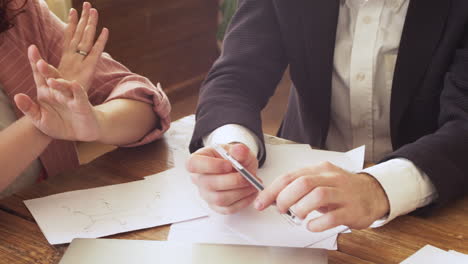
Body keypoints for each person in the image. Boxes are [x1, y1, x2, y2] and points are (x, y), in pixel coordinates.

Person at [186, 0, 468, 232]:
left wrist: (377, 188)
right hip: (294, 202)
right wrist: (231, 147)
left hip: (435, 195)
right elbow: (237, 75)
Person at [0, 0, 171, 196]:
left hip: (51, 211)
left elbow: (145, 104)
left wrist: (97, 122)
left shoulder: (18, 12)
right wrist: (43, 124)